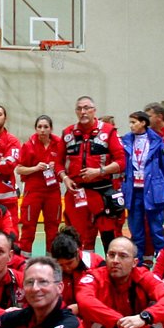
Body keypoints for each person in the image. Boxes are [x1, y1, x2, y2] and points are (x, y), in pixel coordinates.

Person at [62, 95, 126, 250]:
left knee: (109, 239)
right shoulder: (67, 133)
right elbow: (58, 163)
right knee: (79, 239)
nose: (83, 112)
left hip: (102, 193)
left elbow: (122, 162)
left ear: (94, 110)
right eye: (79, 109)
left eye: (86, 108)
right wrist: (64, 178)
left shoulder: (109, 132)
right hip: (77, 194)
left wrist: (99, 171)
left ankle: (111, 270)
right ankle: (84, 272)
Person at [121, 110, 164, 260]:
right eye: (130, 122)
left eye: (133, 122)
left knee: (157, 230)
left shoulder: (156, 141)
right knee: (136, 230)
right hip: (133, 191)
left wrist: (158, 185)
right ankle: (137, 263)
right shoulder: (126, 140)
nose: (130, 126)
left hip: (152, 191)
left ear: (143, 123)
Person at [16, 114, 65, 252]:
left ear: (51, 129)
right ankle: (24, 261)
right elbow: (19, 169)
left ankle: (52, 260)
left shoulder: (59, 145)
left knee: (53, 227)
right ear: (35, 129)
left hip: (53, 191)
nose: (42, 130)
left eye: (46, 127)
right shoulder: (28, 145)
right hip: (33, 191)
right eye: (39, 127)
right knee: (28, 226)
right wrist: (35, 168)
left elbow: (66, 165)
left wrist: (56, 166)